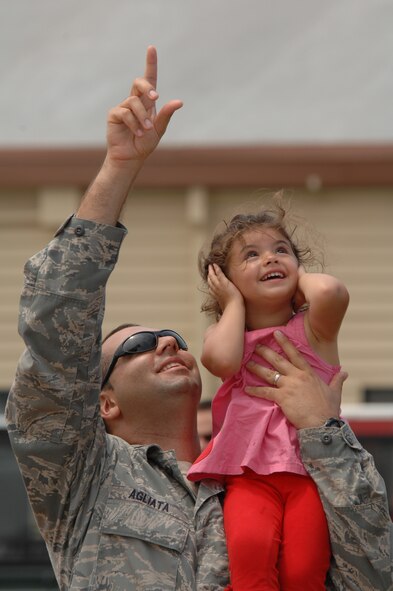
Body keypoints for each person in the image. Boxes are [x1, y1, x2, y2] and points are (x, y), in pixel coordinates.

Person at [5, 46, 392, 591]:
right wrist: (121, 167)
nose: (167, 343)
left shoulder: (277, 464)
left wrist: (321, 431)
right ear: (102, 401)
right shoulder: (83, 477)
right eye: (139, 343)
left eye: (174, 337)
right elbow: (55, 332)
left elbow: (374, 572)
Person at [187, 205, 349, 589]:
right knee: (251, 565)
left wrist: (299, 275)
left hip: (310, 475)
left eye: (281, 250)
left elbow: (330, 290)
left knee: (303, 572)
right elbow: (222, 362)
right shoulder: (226, 336)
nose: (270, 258)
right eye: (252, 255)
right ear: (224, 280)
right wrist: (234, 305)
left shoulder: (314, 330)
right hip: (248, 476)